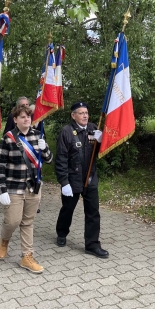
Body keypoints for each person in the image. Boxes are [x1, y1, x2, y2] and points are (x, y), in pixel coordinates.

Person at [0, 104, 52, 273]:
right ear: (15, 120)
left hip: (33, 187)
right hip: (13, 187)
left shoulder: (38, 136)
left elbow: (48, 160)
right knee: (12, 221)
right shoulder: (8, 138)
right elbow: (0, 166)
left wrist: (45, 148)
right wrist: (2, 189)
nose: (27, 119)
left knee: (28, 222)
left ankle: (27, 256)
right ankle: (5, 239)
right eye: (22, 117)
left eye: (28, 116)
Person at [55, 102, 109, 258]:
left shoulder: (93, 128)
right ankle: (62, 233)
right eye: (81, 113)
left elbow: (100, 153)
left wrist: (101, 141)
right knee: (68, 209)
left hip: (90, 177)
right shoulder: (66, 132)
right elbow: (61, 159)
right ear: (73, 115)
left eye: (86, 112)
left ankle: (92, 244)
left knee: (93, 212)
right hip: (72, 180)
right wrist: (64, 182)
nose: (85, 115)